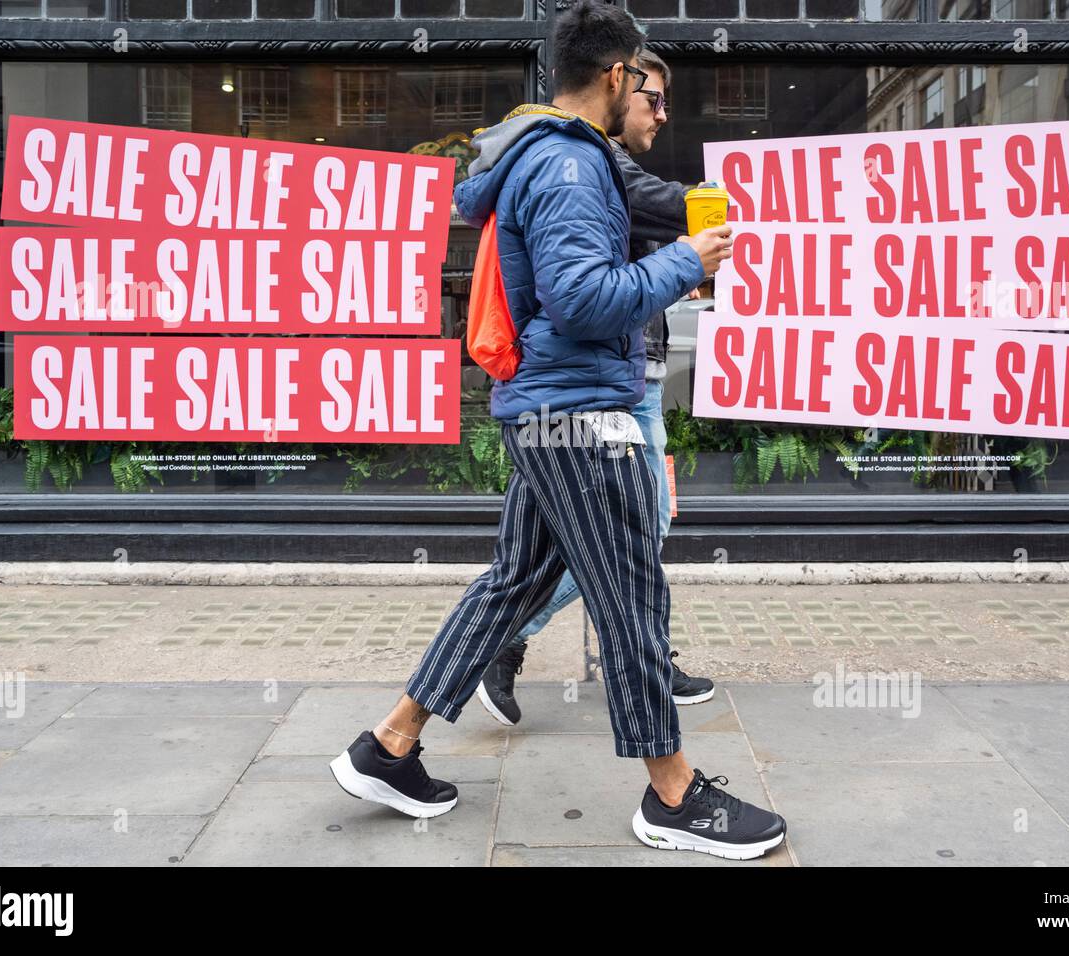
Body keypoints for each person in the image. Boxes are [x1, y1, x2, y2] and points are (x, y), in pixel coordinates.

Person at [329, 0, 786, 860]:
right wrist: (684, 262)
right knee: (632, 598)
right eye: (644, 87)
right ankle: (674, 795)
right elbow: (580, 302)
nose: (649, 104)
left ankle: (388, 746)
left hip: (547, 408)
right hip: (577, 414)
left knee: (511, 584)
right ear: (616, 75)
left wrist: (659, 259)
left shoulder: (545, 156)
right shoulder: (572, 168)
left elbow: (578, 282)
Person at [476, 48, 715, 729]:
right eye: (653, 100)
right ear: (616, 87)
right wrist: (718, 213)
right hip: (602, 385)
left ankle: (630, 657)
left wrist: (677, 259)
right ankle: (515, 643)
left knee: (575, 543)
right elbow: (593, 285)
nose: (663, 115)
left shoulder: (583, 159)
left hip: (606, 379)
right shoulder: (590, 161)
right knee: (631, 530)